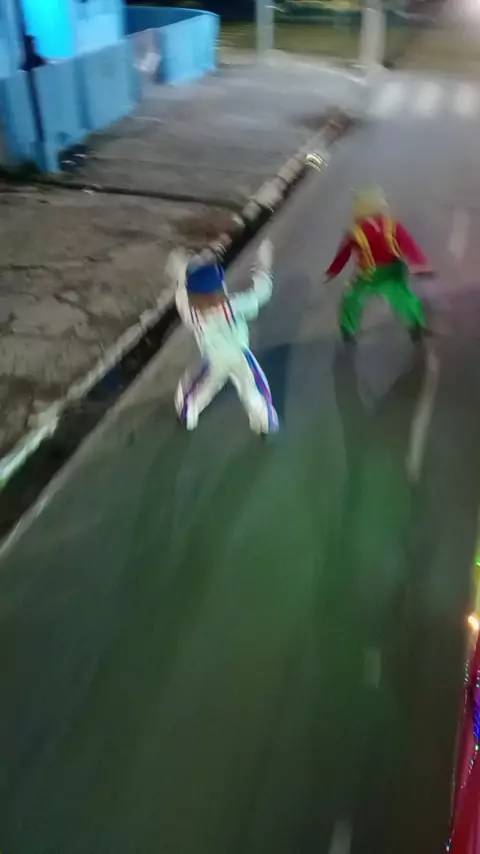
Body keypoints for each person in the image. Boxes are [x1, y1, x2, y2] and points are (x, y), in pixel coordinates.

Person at [167, 240, 279, 434]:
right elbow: (261, 294)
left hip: (212, 358)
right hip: (240, 356)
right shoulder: (232, 307)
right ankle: (265, 422)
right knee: (252, 389)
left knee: (199, 385)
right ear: (221, 289)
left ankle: (188, 413)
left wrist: (181, 274)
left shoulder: (191, 314)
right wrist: (262, 267)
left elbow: (182, 296)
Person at [325, 186, 432, 343]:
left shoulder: (355, 233)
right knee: (405, 298)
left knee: (352, 300)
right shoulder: (392, 226)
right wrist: (420, 263)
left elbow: (343, 254)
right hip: (393, 271)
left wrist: (333, 271)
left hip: (370, 276)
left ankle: (348, 331)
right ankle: (416, 325)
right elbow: (409, 245)